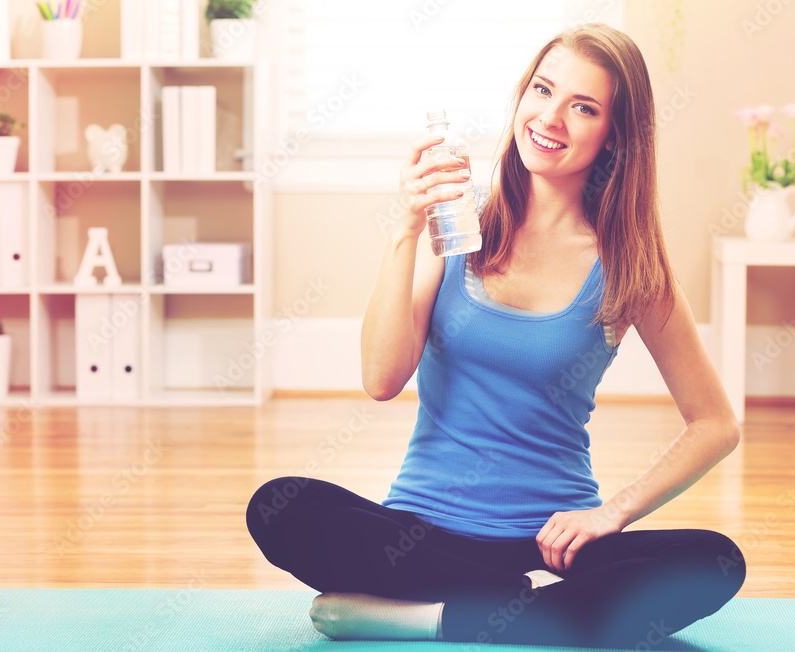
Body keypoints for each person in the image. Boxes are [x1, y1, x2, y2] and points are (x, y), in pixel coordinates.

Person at [246, 23, 746, 648]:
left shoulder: (628, 263)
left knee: (717, 560)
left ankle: (434, 615)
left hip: (551, 545)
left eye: (583, 107)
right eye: (543, 90)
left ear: (614, 134)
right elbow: (380, 379)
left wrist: (612, 511)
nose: (551, 118)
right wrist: (405, 228)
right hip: (422, 532)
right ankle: (535, 608)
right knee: (279, 505)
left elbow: (715, 424)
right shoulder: (458, 221)